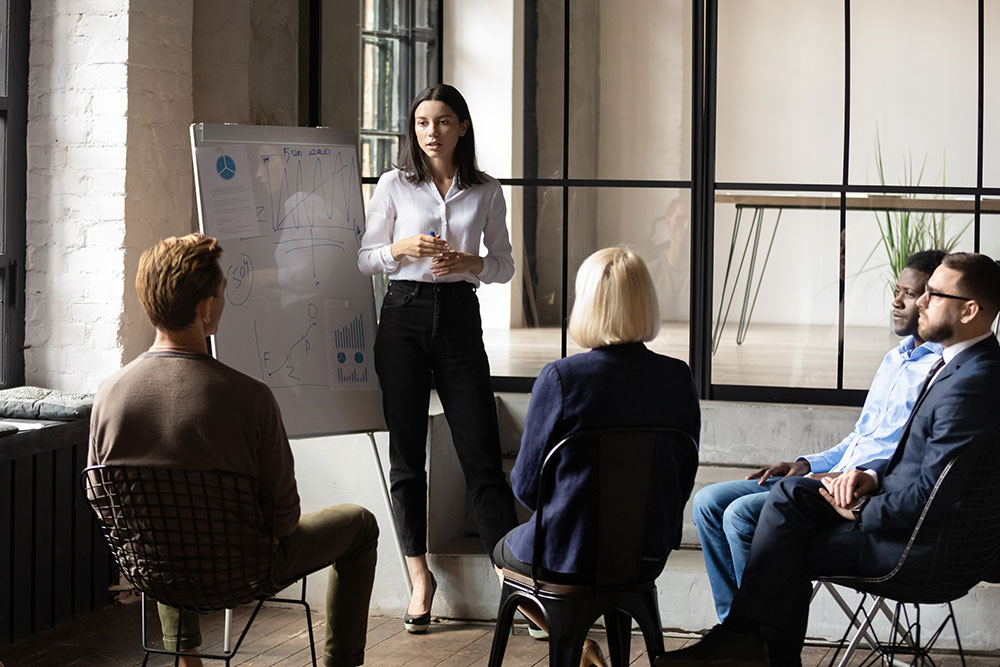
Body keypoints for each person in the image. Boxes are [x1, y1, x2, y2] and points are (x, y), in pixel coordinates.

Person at [657, 252, 1000, 667]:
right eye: (916, 293)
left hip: (914, 548)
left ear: (970, 310)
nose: (920, 302)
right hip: (894, 510)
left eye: (932, 294)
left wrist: (860, 506)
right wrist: (868, 478)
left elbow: (933, 495)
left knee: (775, 527)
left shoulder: (970, 384)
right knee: (786, 497)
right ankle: (747, 639)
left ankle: (751, 643)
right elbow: (920, 466)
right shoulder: (963, 369)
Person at [89, 234, 379, 667]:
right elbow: (283, 521)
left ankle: (187, 658)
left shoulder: (108, 394)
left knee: (166, 518)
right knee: (360, 526)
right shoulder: (250, 398)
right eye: (221, 293)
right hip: (243, 574)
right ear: (205, 309)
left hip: (155, 571)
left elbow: (105, 502)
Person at [692, 250, 944, 622]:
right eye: (897, 290)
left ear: (930, 302)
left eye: (910, 293)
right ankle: (737, 630)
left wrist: (843, 478)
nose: (897, 300)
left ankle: (759, 635)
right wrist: (807, 463)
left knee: (740, 515)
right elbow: (859, 437)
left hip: (852, 494)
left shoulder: (939, 371)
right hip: (822, 478)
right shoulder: (894, 360)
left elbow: (905, 460)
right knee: (708, 502)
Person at [358, 83, 519, 632]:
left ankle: (511, 581)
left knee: (481, 453)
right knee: (406, 455)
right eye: (423, 122)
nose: (432, 132)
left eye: (443, 121)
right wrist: (398, 250)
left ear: (462, 128)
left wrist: (471, 262)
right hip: (401, 316)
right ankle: (419, 578)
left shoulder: (487, 191)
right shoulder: (394, 184)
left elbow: (504, 266)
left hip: (457, 316)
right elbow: (363, 259)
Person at [494, 247, 701, 667]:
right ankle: (588, 648)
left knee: (501, 556)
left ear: (585, 303)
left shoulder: (562, 378)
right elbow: (683, 477)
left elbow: (527, 488)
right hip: (645, 556)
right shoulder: (678, 378)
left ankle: (578, 646)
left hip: (567, 554)